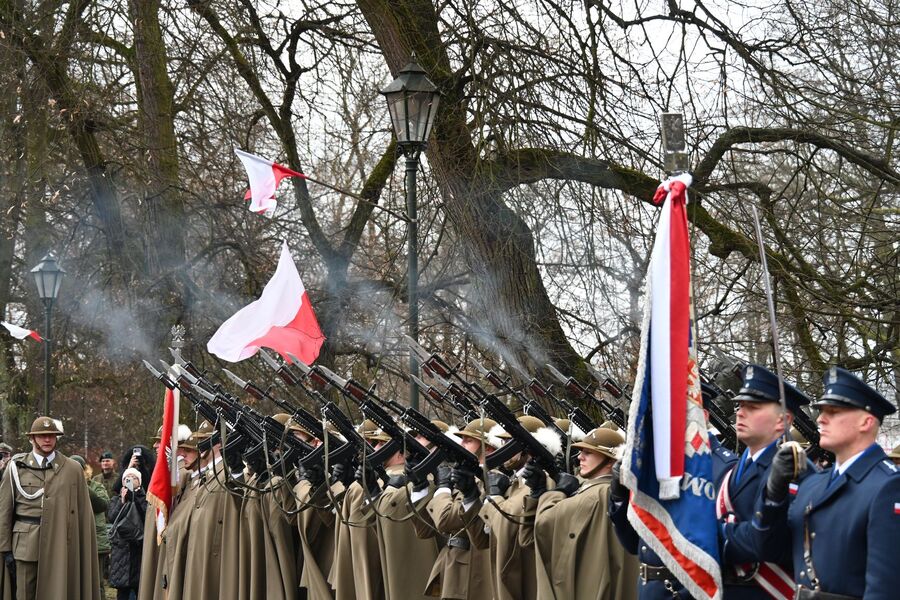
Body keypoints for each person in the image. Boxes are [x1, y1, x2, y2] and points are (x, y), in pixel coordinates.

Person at [755, 366, 900, 598]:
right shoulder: (814, 484)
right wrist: (773, 496)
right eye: (821, 411)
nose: (821, 419)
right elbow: (770, 550)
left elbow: (886, 587)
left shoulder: (888, 487)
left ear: (866, 422)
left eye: (833, 411)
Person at [717, 364, 814, 598]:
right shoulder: (736, 466)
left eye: (752, 407)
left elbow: (769, 542)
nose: (739, 412)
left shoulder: (793, 469)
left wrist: (715, 534)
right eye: (740, 405)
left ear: (783, 420)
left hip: (766, 591)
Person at [523, 426, 638, 600]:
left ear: (610, 461)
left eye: (589, 453)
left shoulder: (594, 495)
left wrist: (553, 491)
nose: (580, 457)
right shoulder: (608, 492)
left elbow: (542, 524)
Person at [0, 416, 101, 599]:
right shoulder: (16, 467)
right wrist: (5, 549)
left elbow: (83, 512)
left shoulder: (72, 469)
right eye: (42, 436)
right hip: (25, 546)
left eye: (52, 435)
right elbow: (4, 511)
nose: (47, 440)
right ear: (32, 438)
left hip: (61, 544)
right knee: (24, 594)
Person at [73, 455, 111, 598]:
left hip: (95, 541)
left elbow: (102, 505)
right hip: (73, 540)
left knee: (97, 581)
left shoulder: (95, 485)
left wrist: (82, 485)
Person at [107, 467, 147, 600]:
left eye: (133, 477)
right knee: (122, 591)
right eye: (126, 478)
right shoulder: (116, 499)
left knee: (140, 589)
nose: (129, 480)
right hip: (121, 550)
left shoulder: (145, 498)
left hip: (138, 548)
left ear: (139, 481)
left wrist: (135, 498)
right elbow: (112, 517)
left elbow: (146, 516)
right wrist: (122, 502)